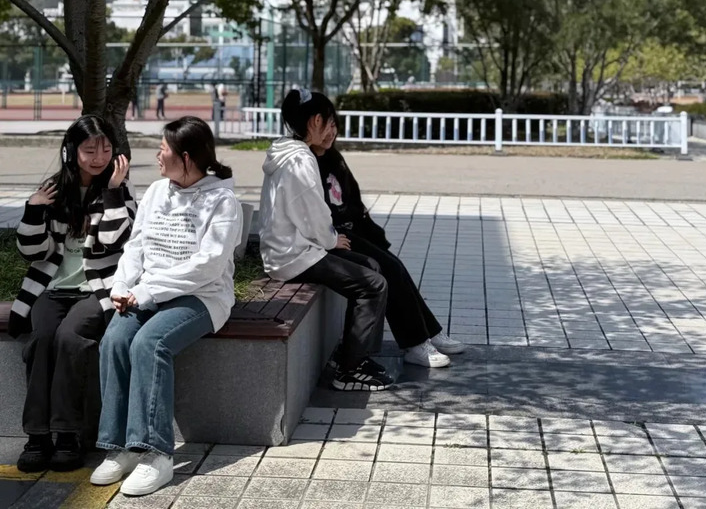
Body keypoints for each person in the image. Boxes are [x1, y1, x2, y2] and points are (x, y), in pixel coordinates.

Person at [90, 116, 240, 497]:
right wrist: (123, 286)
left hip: (202, 296)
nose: (157, 156)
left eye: (163, 150)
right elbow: (136, 246)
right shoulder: (158, 191)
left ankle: (156, 455)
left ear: (187, 158)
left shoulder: (222, 200)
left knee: (149, 343)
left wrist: (148, 291)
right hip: (148, 291)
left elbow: (208, 265)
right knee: (115, 340)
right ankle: (119, 446)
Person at [9, 115, 134, 473]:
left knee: (69, 337)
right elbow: (32, 252)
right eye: (89, 149)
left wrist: (113, 190)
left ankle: (68, 434)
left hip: (97, 290)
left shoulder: (120, 188)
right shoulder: (53, 188)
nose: (98, 157)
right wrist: (34, 209)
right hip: (50, 289)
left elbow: (116, 240)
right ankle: (37, 437)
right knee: (42, 338)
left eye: (106, 149)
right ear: (71, 150)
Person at [259, 88, 392, 392]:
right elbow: (313, 214)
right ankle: (349, 370)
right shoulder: (300, 161)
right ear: (316, 121)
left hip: (292, 249)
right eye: (331, 123)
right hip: (293, 256)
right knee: (373, 284)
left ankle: (351, 355)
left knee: (371, 265)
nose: (334, 131)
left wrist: (329, 240)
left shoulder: (286, 151)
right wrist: (332, 240)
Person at [311, 119, 466, 368]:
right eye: (323, 126)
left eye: (333, 125)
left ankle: (428, 331)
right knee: (387, 268)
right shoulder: (307, 162)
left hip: (348, 233)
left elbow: (353, 200)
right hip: (329, 239)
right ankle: (415, 344)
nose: (330, 132)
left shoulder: (332, 157)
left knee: (394, 265)